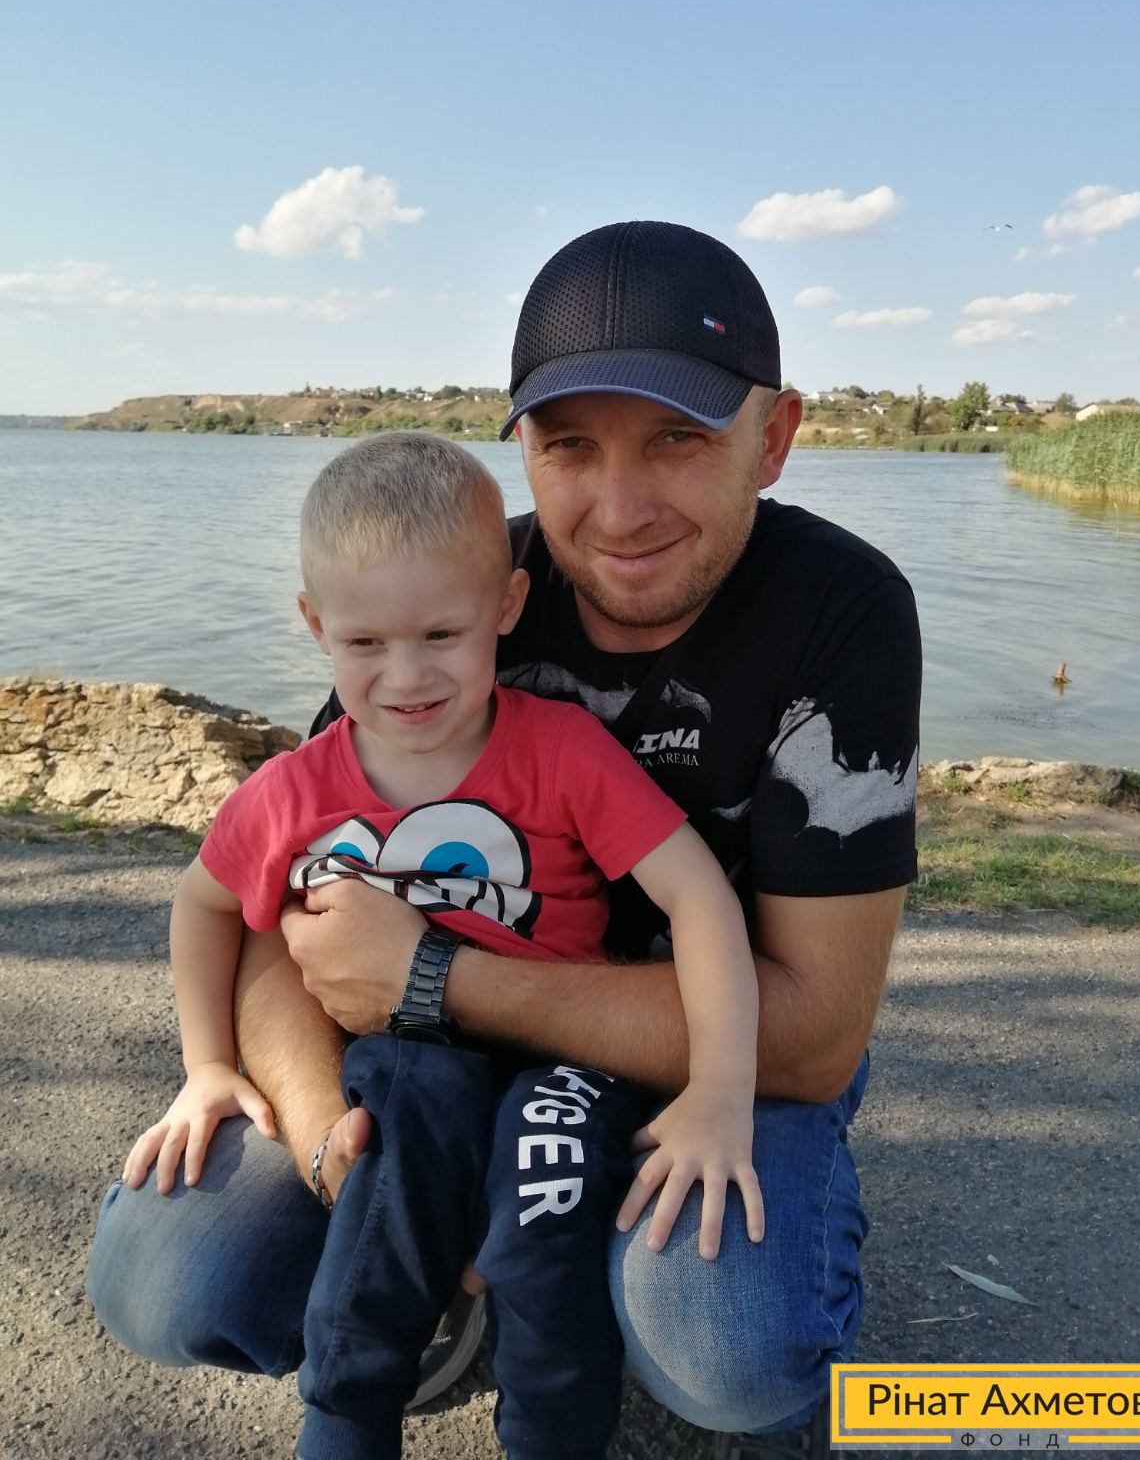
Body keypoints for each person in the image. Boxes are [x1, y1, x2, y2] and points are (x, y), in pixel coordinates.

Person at [87, 219, 922, 1459]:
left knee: (728, 1337)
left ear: (775, 436)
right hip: (427, 1079)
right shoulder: (452, 592)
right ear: (520, 442)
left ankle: (577, 1269)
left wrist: (435, 975)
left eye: (679, 439)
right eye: (569, 444)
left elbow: (809, 1034)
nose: (619, 508)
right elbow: (285, 909)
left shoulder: (841, 611)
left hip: (719, 1058)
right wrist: (332, 1152)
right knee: (167, 1276)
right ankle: (449, 1276)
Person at [117, 431, 764, 1460]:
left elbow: (697, 895)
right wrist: (206, 1066)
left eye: (441, 634)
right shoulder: (291, 790)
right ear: (315, 626)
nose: (406, 675)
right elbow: (204, 905)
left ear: (506, 607)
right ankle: (351, 1418)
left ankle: (550, 1432)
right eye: (366, 643)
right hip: (405, 1061)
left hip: (559, 1055)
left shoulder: (560, 750)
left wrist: (722, 1090)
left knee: (544, 1206)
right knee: (387, 1174)